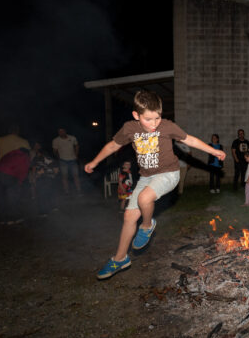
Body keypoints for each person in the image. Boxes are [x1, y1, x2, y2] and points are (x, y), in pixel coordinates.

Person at [85, 90, 226, 279]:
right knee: (128, 215)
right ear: (136, 115)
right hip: (146, 177)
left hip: (169, 173)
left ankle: (146, 225)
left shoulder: (167, 126)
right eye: (148, 119)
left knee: (145, 198)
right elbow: (112, 146)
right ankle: (120, 258)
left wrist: (213, 151)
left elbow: (189, 139)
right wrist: (94, 162)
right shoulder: (129, 129)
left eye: (157, 118)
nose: (153, 124)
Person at [0, 147, 30, 224]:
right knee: (12, 196)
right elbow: (23, 171)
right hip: (6, 174)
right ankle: (12, 218)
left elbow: (0, 162)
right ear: (27, 153)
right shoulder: (25, 156)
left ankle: (2, 219)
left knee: (1, 196)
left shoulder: (9, 154)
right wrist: (19, 183)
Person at [31, 145, 59, 217]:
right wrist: (52, 175)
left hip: (41, 178)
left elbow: (34, 169)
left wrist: (34, 177)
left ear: (40, 153)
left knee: (41, 195)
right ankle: (53, 207)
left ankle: (43, 212)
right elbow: (56, 170)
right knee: (50, 193)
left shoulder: (36, 158)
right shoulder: (51, 158)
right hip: (50, 178)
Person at [52, 128, 81, 195]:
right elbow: (55, 151)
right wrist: (58, 157)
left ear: (65, 131)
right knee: (64, 176)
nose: (61, 132)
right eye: (59, 131)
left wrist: (76, 155)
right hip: (63, 161)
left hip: (73, 160)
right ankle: (66, 191)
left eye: (62, 131)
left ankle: (78, 190)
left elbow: (77, 146)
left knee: (76, 176)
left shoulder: (72, 138)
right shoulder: (56, 140)